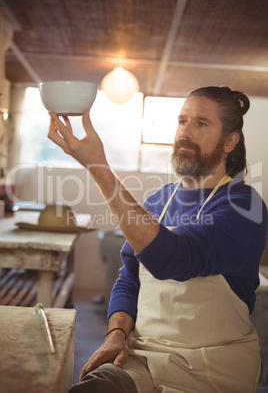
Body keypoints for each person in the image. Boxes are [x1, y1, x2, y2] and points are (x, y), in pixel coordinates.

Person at [48, 86, 267, 393]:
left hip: (211, 371)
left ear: (229, 141)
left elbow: (172, 258)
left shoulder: (245, 206)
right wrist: (116, 333)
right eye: (182, 121)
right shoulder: (158, 201)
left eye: (201, 123)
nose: (185, 132)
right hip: (142, 360)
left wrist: (98, 167)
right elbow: (129, 279)